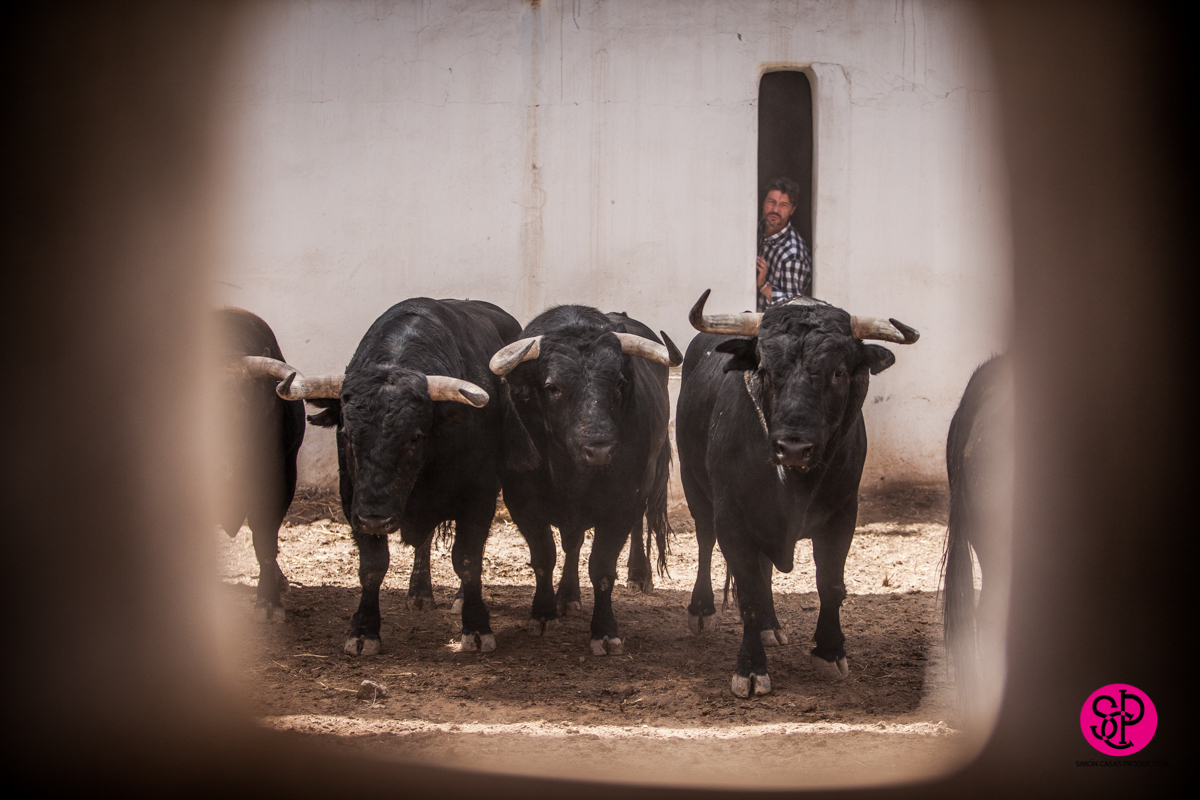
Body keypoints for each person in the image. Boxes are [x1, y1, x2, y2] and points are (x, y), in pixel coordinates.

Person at [755, 177, 812, 311]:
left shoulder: (793, 254)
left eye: (783, 205)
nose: (775, 209)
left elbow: (795, 308)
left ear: (792, 210)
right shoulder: (756, 228)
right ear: (763, 203)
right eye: (771, 202)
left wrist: (763, 285)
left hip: (771, 329)